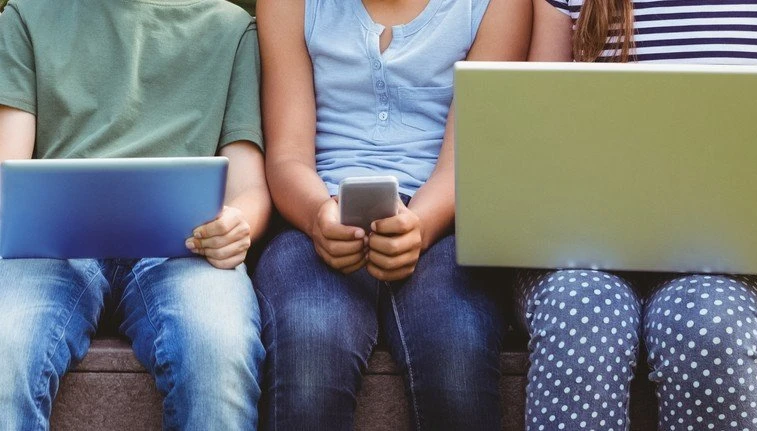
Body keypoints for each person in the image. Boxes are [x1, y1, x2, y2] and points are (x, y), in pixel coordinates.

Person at [519, 0, 757, 430]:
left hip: (734, 262)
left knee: (707, 325)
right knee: (579, 317)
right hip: (580, 254)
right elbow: (535, 121)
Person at [252, 0, 530, 429]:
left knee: (455, 350)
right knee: (311, 342)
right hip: (317, 217)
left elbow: (469, 160)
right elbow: (288, 156)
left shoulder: (496, 6)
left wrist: (418, 226)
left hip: (445, 222)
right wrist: (318, 217)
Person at [0, 0, 270, 428]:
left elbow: (249, 186)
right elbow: (7, 175)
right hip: (51, 250)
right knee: (4, 349)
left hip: (185, 250)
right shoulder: (28, 15)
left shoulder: (232, 29)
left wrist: (238, 224)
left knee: (216, 351)